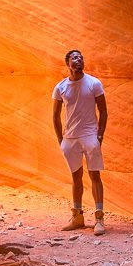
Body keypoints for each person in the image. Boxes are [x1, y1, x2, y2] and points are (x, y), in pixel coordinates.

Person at [52, 49, 108, 234]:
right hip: (71, 138)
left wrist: (99, 136)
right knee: (76, 177)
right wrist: (61, 139)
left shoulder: (94, 83)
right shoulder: (60, 87)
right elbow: (55, 115)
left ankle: (99, 218)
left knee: (94, 176)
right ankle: (77, 217)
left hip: (90, 135)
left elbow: (103, 111)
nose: (79, 60)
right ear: (68, 63)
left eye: (81, 57)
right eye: (74, 58)